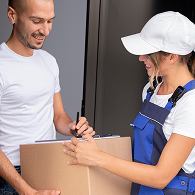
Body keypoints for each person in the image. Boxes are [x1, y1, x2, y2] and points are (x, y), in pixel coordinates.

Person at [63, 11, 195, 194]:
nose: (141, 58)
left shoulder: (190, 104)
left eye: (149, 53)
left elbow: (161, 177)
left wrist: (97, 157)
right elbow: (142, 157)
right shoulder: (151, 90)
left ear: (172, 57)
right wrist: (93, 143)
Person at [0, 0, 95, 194]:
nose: (46, 30)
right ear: (12, 15)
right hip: (11, 177)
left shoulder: (48, 61)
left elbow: (58, 115)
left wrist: (72, 127)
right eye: (37, 21)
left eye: (50, 21)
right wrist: (26, 191)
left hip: (49, 165)